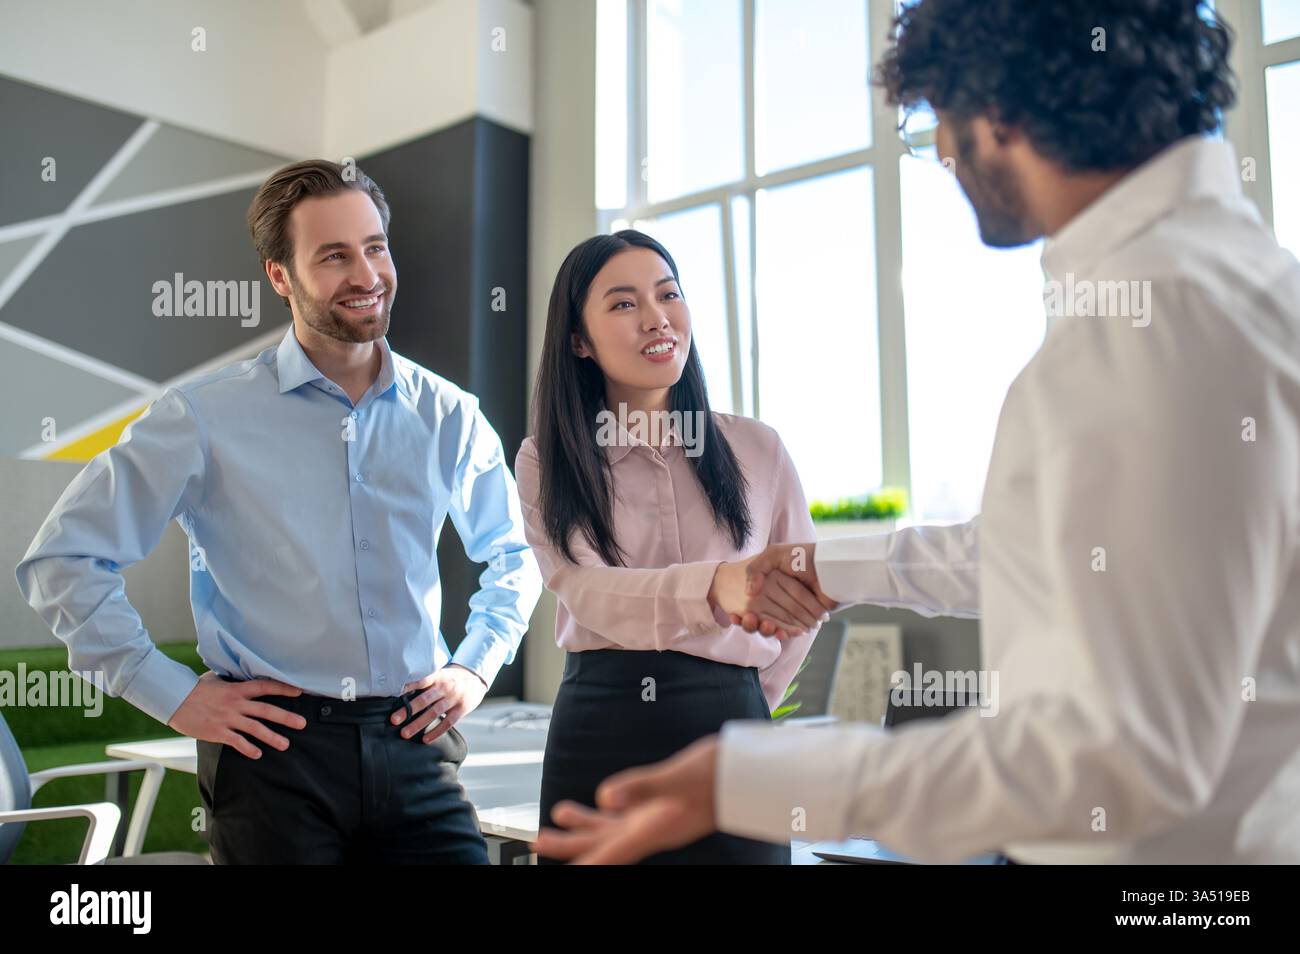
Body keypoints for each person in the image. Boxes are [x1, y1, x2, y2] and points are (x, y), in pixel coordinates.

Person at [533, 0, 1300, 865]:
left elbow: (1119, 756)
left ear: (999, 108)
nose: (939, 153)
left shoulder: (1148, 327)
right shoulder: (1238, 287)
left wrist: (758, 778)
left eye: (938, 119)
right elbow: (1030, 553)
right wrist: (824, 571)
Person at [16, 159, 542, 864]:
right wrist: (172, 695)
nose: (366, 274)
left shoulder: (449, 414)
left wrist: (476, 668)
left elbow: (516, 554)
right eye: (333, 256)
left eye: (375, 247)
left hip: (416, 744)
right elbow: (63, 562)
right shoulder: (202, 418)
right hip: (273, 756)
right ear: (280, 276)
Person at [515, 229, 834, 864]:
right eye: (624, 303)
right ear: (578, 340)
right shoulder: (546, 461)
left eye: (669, 294)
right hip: (600, 728)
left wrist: (741, 700)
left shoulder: (758, 449)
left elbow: (803, 600)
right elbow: (585, 589)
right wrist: (716, 584)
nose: (657, 318)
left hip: (736, 728)